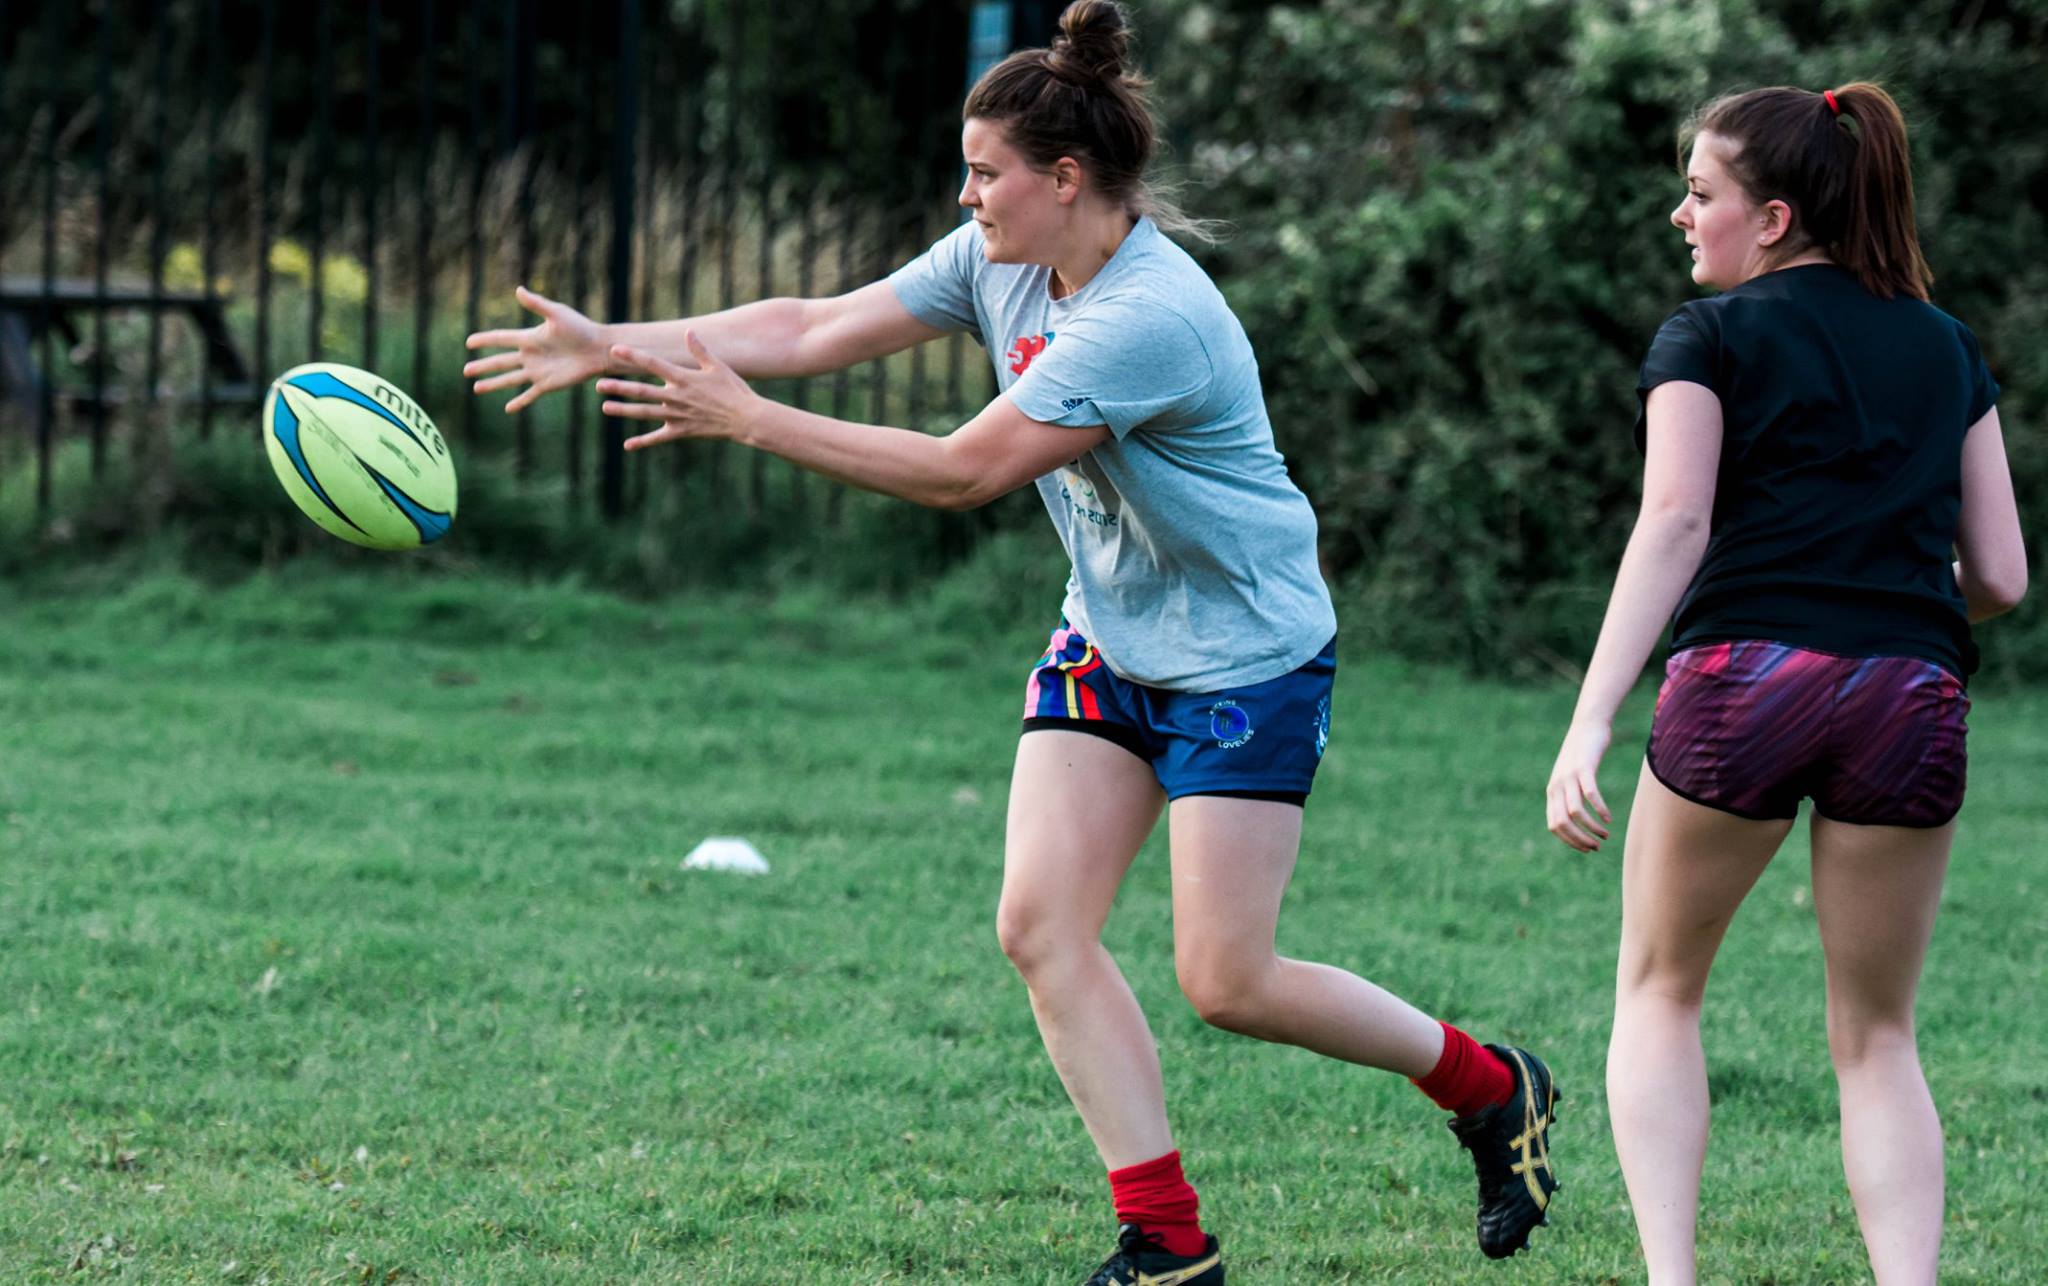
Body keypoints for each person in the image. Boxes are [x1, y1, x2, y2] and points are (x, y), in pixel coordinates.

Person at [466, 3, 1557, 1278]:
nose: (967, 194)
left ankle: (1491, 1087)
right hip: (1108, 636)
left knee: (1227, 978)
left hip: (1241, 662)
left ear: (1066, 179)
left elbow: (957, 472)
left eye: (986, 173)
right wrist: (617, 343)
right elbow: (813, 326)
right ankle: (1164, 1241)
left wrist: (749, 423)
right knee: (1037, 923)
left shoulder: (1147, 315)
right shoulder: (1004, 259)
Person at [1544, 82, 2026, 1286]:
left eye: (1698, 194)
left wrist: (1589, 717)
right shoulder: (1943, 341)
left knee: (1658, 990)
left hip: (1741, 682)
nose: (1678, 215)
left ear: (1767, 219)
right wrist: (1884, 604)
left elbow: (1673, 521)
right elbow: (2004, 576)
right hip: (1909, 695)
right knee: (1876, 1035)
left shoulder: (1702, 338)